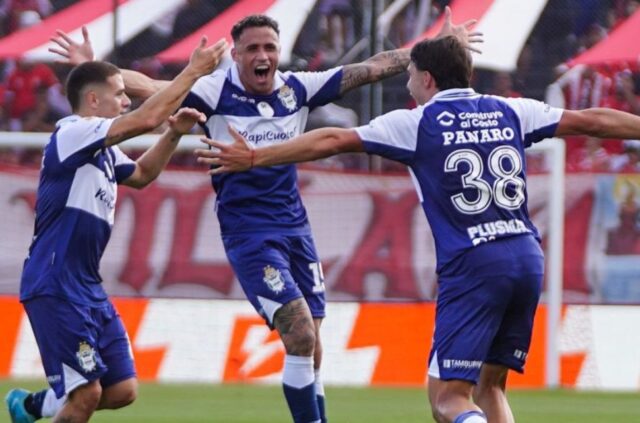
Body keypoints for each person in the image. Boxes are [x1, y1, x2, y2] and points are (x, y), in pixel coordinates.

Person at [49, 10, 480, 423]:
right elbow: (150, 87)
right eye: (252, 48)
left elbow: (371, 67)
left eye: (270, 47)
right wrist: (94, 69)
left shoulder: (297, 88)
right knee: (301, 335)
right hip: (249, 234)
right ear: (236, 55)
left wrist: (435, 45)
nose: (263, 56)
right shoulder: (214, 91)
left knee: (312, 345)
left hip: (296, 229)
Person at [195, 35, 640, 423]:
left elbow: (332, 140)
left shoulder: (416, 122)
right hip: (527, 257)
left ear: (427, 79)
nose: (407, 84)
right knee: (491, 386)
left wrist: (255, 157)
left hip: (474, 264)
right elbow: (592, 120)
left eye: (410, 75)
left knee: (447, 399)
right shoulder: (511, 109)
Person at [4, 36, 227, 423]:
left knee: (122, 390)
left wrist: (174, 133)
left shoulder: (101, 149)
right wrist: (193, 71)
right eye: (120, 94)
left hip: (86, 286)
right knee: (86, 394)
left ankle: (32, 406)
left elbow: (141, 174)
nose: (126, 101)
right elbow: (145, 119)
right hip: (56, 282)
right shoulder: (73, 132)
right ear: (93, 101)